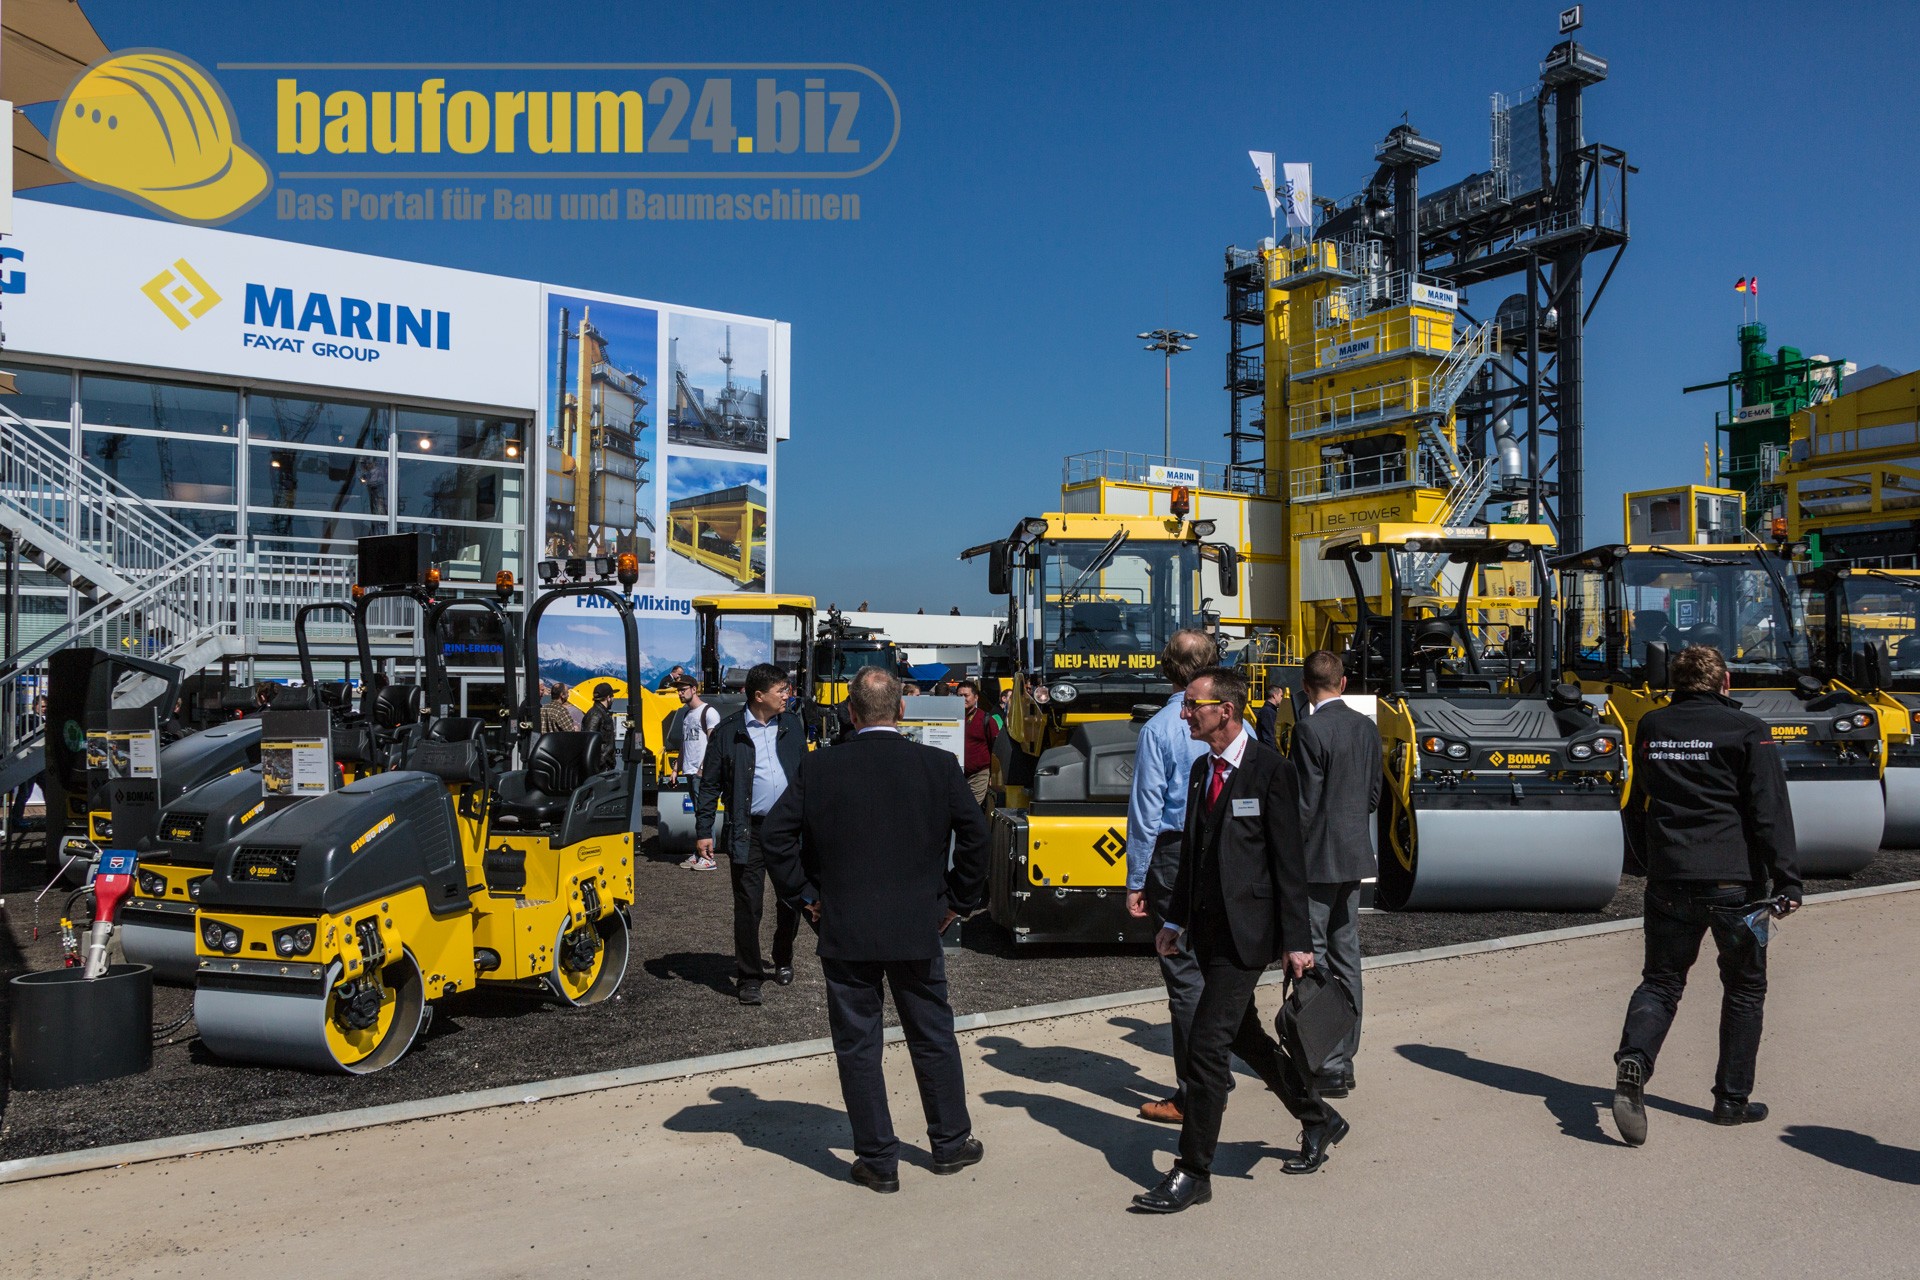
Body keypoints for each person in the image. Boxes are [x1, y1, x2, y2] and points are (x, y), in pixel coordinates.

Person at [762, 666, 991, 1193]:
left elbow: (775, 836)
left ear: (850, 712)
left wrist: (806, 896)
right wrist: (956, 901)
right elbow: (976, 838)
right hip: (918, 923)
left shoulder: (820, 766)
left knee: (858, 1045)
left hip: (846, 925)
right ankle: (950, 1142)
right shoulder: (937, 765)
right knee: (932, 1035)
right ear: (902, 710)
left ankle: (878, 1160)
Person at [1133, 666, 1340, 1214]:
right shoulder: (1202, 769)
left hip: (1249, 936)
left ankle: (1193, 1170)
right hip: (1207, 932)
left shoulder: (1271, 770)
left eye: (1192, 706)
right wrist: (1174, 921)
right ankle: (1318, 1117)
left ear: (1224, 711)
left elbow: (1289, 862)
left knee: (1206, 1048)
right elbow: (1194, 855)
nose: (1184, 714)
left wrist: (1297, 940)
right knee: (1245, 1038)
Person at [1610, 644, 1801, 1147]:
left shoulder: (1652, 726)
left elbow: (1638, 799)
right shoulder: (1748, 730)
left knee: (1661, 982)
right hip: (1734, 884)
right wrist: (1788, 879)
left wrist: (1649, 861)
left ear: (1675, 682)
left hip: (1670, 877)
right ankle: (1731, 1102)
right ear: (1725, 681)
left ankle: (1634, 1060)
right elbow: (1769, 810)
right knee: (1745, 988)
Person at [1124, 629, 1218, 1126]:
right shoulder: (1237, 723)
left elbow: (1146, 812)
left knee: (1182, 973)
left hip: (1174, 853)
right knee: (1216, 966)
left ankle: (1192, 1091)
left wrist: (1135, 879)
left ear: (1167, 668)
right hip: (1222, 850)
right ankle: (1215, 1072)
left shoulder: (1159, 729)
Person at [1288, 649, 1381, 1098]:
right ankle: (1345, 1057)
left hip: (1316, 859)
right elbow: (1374, 796)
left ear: (1306, 688)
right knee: (1348, 955)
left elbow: (1303, 804)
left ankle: (1325, 1062)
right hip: (1354, 854)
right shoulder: (1366, 727)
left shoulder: (1308, 730)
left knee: (1313, 957)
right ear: (1343, 683)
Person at [695, 662, 805, 1006]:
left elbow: (805, 774)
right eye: (781, 690)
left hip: (789, 830)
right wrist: (704, 831)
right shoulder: (728, 732)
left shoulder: (792, 724)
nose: (787, 695)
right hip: (749, 831)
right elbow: (709, 785)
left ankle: (782, 956)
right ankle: (749, 977)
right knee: (748, 906)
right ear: (759, 695)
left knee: (791, 900)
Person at [674, 677, 722, 871]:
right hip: (690, 771)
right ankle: (700, 852)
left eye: (683, 689)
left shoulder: (709, 712)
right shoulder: (687, 715)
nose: (680, 693)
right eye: (678, 690)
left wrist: (703, 768)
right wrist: (676, 768)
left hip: (701, 773)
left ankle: (709, 857)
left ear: (694, 689)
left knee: (705, 813)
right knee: (699, 814)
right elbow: (684, 743)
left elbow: (713, 744)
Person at [9, 693, 48, 834]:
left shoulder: (40, 719)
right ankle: (16, 819)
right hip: (29, 761)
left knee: (47, 789)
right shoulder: (29, 718)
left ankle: (52, 816)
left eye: (46, 707)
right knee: (25, 792)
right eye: (42, 706)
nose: (44, 709)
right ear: (34, 706)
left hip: (38, 762)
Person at [958, 679, 997, 807]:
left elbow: (996, 749)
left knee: (971, 809)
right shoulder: (951, 718)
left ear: (975, 697)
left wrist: (994, 775)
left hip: (978, 774)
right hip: (956, 774)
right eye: (959, 695)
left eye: (966, 695)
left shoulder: (986, 719)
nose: (962, 699)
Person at [579, 682, 617, 772]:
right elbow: (589, 741)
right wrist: (599, 764)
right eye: (612, 696)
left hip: (604, 765)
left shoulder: (602, 713)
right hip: (600, 768)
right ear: (608, 697)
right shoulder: (595, 714)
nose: (613, 699)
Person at [1253, 682, 1288, 749]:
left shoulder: (1269, 711)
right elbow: (1269, 736)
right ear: (1274, 695)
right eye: (1281, 696)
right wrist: (1273, 753)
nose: (1282, 699)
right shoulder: (1268, 712)